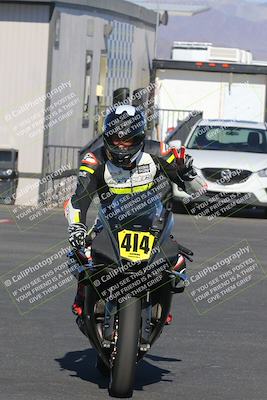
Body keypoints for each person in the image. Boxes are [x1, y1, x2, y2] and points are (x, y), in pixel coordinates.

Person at [64, 105, 206, 318]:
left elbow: (199, 190)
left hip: (151, 221)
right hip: (108, 222)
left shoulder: (160, 152)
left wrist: (187, 174)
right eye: (115, 140)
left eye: (127, 140)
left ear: (139, 138)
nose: (121, 146)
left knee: (176, 261)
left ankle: (162, 302)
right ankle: (83, 295)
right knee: (79, 254)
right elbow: (79, 199)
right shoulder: (93, 160)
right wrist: (76, 227)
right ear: (106, 138)